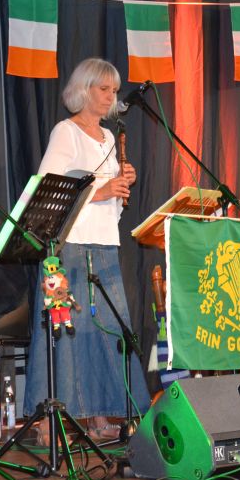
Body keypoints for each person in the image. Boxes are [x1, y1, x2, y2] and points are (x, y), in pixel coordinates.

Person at [22, 58, 151, 443]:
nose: (111, 96)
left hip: (105, 242)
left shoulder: (109, 138)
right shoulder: (66, 132)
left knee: (106, 330)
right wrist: (102, 189)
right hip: (68, 245)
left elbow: (112, 204)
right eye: (104, 89)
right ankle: (48, 421)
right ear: (84, 89)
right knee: (63, 330)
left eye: (114, 90)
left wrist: (121, 186)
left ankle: (98, 415)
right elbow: (50, 187)